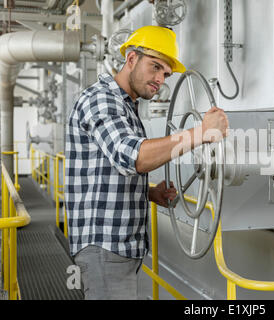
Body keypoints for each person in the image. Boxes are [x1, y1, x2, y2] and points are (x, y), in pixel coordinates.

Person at [64, 25, 229, 300]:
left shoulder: (126, 105)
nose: (159, 79)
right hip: (106, 247)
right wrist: (201, 133)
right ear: (131, 59)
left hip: (118, 247)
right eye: (155, 67)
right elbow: (134, 157)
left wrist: (150, 193)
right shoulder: (101, 100)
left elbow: (107, 172)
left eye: (165, 73)